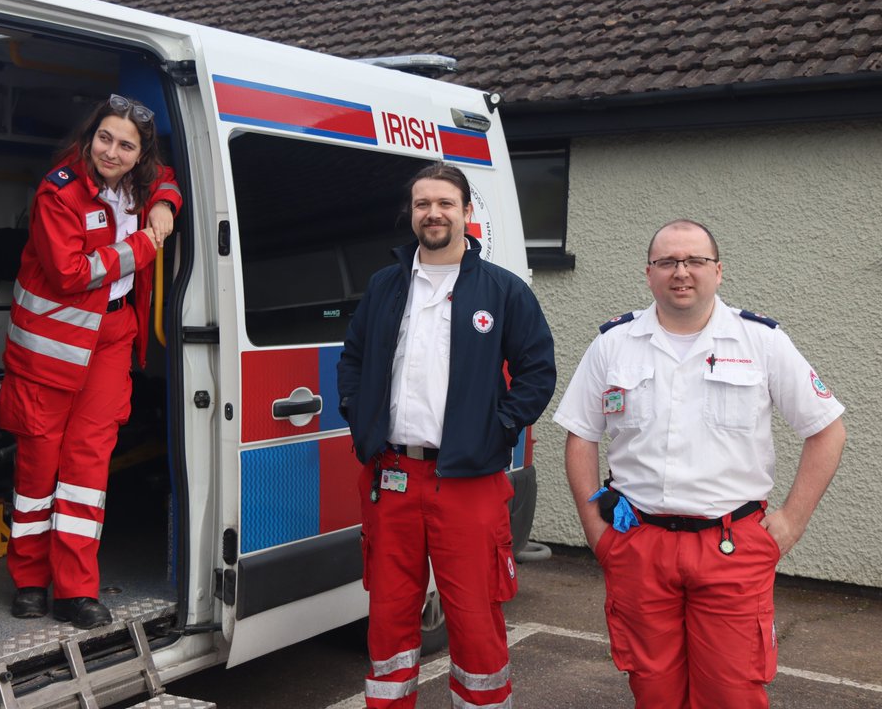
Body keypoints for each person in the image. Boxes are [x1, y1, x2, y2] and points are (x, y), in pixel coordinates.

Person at [555, 219, 846, 708]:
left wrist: (791, 523)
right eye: (667, 261)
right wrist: (594, 530)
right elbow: (580, 435)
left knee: (732, 693)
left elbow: (827, 429)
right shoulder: (613, 343)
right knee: (653, 690)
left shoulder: (762, 342)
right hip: (639, 546)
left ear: (719, 271)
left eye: (694, 261)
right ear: (648, 273)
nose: (681, 272)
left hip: (731, 547)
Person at [336, 162, 556, 709]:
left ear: (466, 212)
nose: (432, 213)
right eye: (421, 204)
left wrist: (497, 430)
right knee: (388, 621)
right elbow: (355, 359)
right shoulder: (387, 286)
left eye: (445, 203)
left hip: (469, 480)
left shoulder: (502, 290)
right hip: (393, 476)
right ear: (411, 214)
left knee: (476, 619)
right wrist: (360, 418)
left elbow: (537, 372)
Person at [0, 94, 182, 630]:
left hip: (113, 337)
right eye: (105, 138)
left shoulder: (143, 185)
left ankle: (75, 591)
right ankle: (30, 580)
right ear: (89, 137)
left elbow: (169, 178)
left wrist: (166, 201)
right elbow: (71, 272)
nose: (113, 151)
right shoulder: (58, 192)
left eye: (127, 145)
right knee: (38, 469)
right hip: (49, 352)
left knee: (86, 470)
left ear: (139, 154)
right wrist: (147, 241)